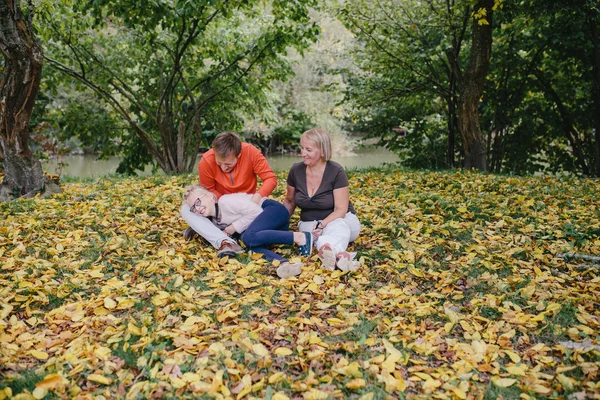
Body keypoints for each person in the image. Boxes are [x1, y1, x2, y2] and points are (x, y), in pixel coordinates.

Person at [181, 132, 278, 258]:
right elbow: (208, 190)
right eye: (219, 163)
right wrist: (224, 204)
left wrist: (257, 196)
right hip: (220, 206)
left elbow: (270, 178)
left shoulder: (251, 152)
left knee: (256, 218)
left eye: (228, 164)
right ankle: (225, 241)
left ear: (239, 155)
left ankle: (206, 228)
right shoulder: (206, 161)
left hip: (245, 205)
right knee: (186, 209)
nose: (223, 168)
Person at [182, 185, 312, 278]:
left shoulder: (225, 202)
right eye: (193, 208)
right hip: (266, 231)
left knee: (247, 237)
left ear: (210, 196)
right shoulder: (214, 222)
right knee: (249, 247)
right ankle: (284, 263)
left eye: (198, 202)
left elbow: (256, 211)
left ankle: (301, 237)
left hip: (273, 211)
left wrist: (233, 227)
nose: (197, 208)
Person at [283, 128, 361, 272]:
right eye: (302, 148)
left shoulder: (336, 171)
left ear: (323, 151)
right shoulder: (296, 170)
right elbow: (289, 201)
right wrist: (278, 222)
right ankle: (340, 257)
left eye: (308, 149)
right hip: (309, 223)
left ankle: (328, 250)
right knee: (313, 235)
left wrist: (322, 224)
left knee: (337, 225)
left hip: (341, 219)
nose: (303, 153)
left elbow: (341, 209)